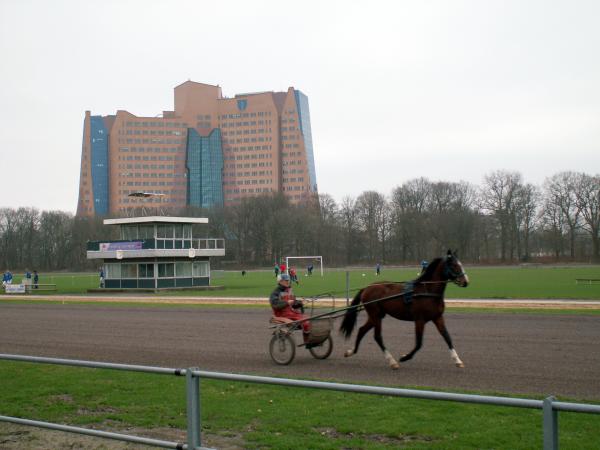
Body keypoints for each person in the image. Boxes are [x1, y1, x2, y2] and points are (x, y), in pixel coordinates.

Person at [269, 273, 311, 339]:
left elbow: (293, 304)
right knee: (305, 321)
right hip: (281, 315)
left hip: (291, 313)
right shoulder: (275, 293)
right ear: (280, 281)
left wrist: (299, 303)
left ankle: (309, 339)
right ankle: (308, 340)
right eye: (286, 280)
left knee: (308, 320)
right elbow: (275, 305)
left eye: (288, 280)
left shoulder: (289, 290)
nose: (288, 281)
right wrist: (287, 302)